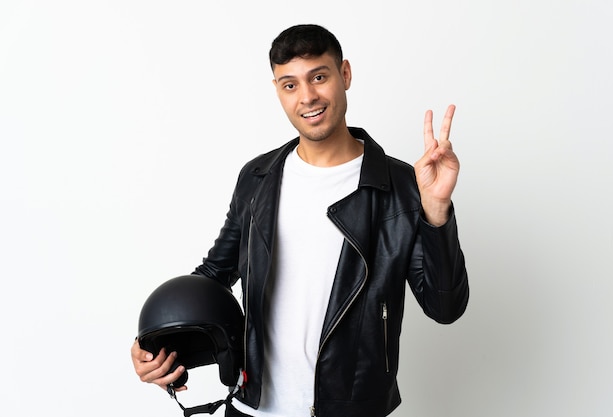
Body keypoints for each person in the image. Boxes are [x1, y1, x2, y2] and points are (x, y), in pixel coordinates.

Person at [131, 23, 469, 417]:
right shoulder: (257, 178)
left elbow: (445, 307)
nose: (307, 97)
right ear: (277, 90)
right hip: (252, 408)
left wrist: (437, 211)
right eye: (289, 84)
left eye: (319, 77)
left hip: (352, 408)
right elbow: (213, 275)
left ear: (345, 75)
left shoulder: (401, 186)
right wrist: (158, 342)